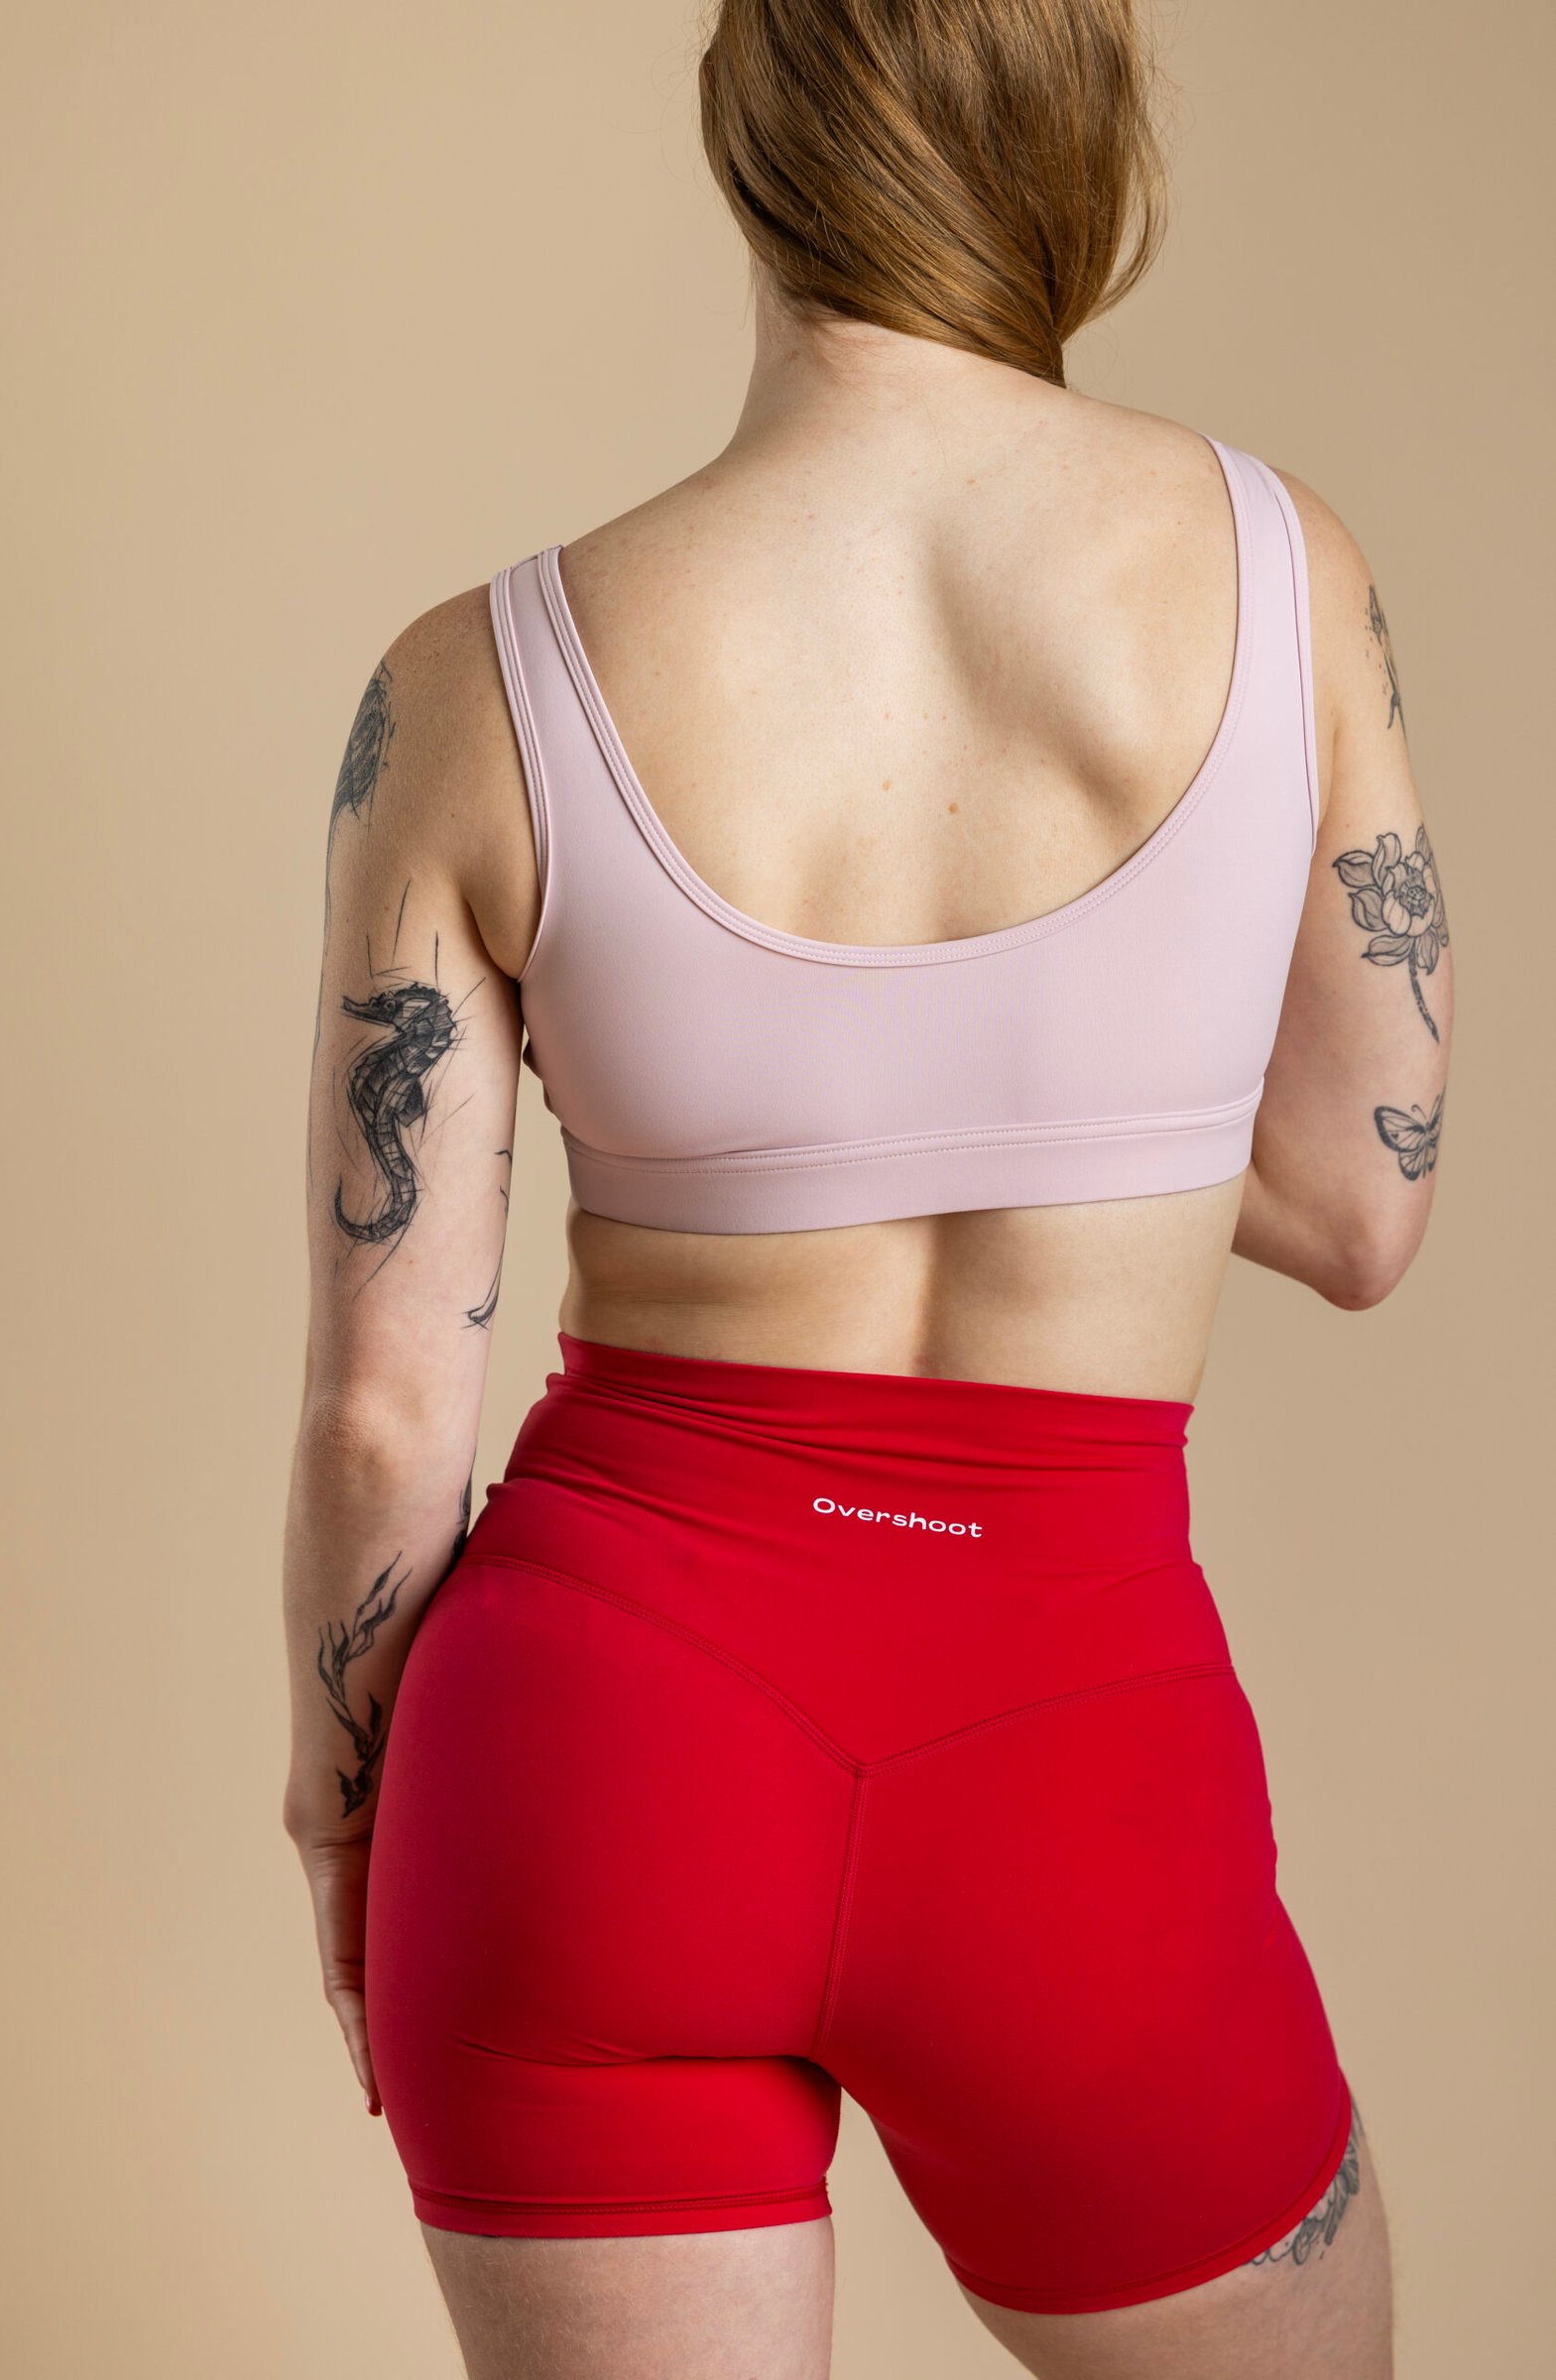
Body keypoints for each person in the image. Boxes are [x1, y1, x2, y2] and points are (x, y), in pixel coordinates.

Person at [282, 3, 1450, 2372]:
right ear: (1081, 151)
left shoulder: (475, 683)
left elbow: (390, 1413)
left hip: (596, 1752)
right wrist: (1060, 1105)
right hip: (1067, 1738)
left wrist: (343, 1807)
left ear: (749, 151)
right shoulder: (1274, 570)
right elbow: (1354, 1201)